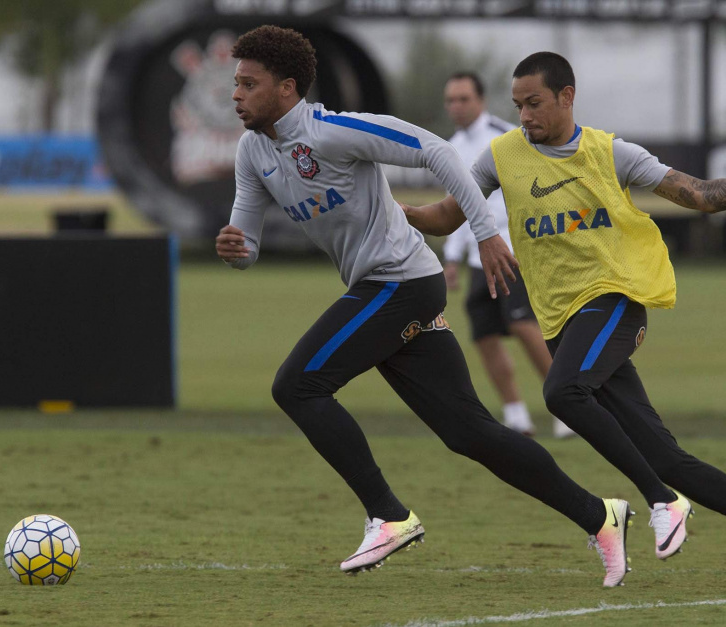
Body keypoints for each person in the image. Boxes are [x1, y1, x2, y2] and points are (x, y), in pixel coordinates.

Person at [216, 26, 634, 587]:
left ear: (287, 87)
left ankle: (388, 515)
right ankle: (600, 516)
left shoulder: (336, 131)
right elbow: (246, 246)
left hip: (401, 283)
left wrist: (485, 232)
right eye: (235, 84)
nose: (236, 95)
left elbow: (436, 150)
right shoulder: (252, 151)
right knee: (469, 433)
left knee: (297, 385)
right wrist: (235, 250)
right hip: (384, 287)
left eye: (249, 83)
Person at [402, 51, 726, 581]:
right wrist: (395, 211)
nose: (525, 116)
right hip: (562, 321)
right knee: (668, 457)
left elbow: (701, 195)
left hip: (617, 300)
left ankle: (659, 500)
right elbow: (445, 216)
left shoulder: (612, 153)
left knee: (561, 394)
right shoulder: (500, 157)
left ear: (567, 96)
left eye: (534, 103)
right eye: (517, 106)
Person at [441, 72, 573, 438]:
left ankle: (567, 407)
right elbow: (457, 208)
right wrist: (452, 257)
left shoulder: (506, 137)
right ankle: (516, 415)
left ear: (480, 100)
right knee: (483, 333)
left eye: (463, 99)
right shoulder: (449, 146)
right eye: (450, 100)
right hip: (476, 259)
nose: (456, 106)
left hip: (513, 248)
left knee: (523, 324)